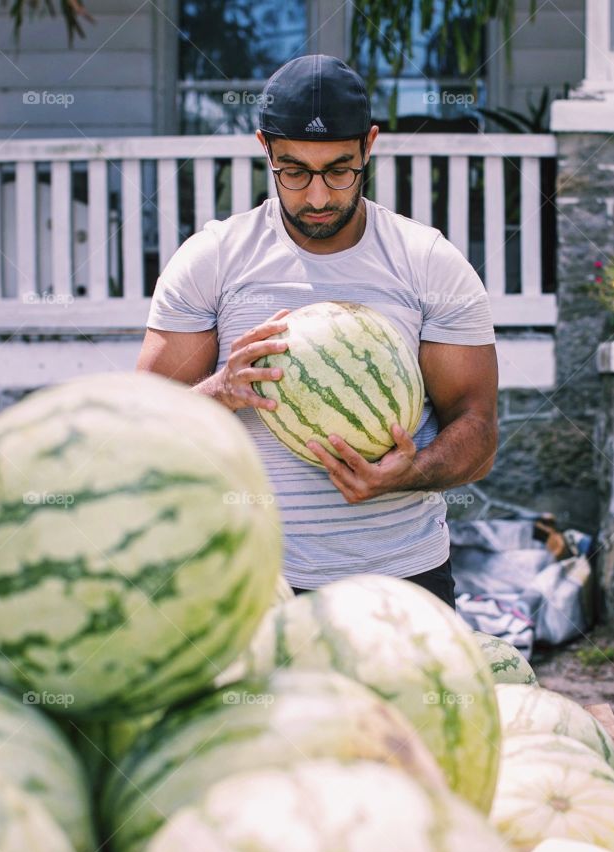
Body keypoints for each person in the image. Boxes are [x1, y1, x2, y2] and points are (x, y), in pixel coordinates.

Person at [137, 54, 498, 606]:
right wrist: (219, 391)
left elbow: (479, 433)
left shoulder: (428, 262)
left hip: (402, 580)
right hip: (255, 581)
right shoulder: (212, 260)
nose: (319, 196)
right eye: (294, 171)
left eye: (339, 169)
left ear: (370, 145)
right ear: (265, 148)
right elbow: (141, 427)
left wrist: (408, 473)